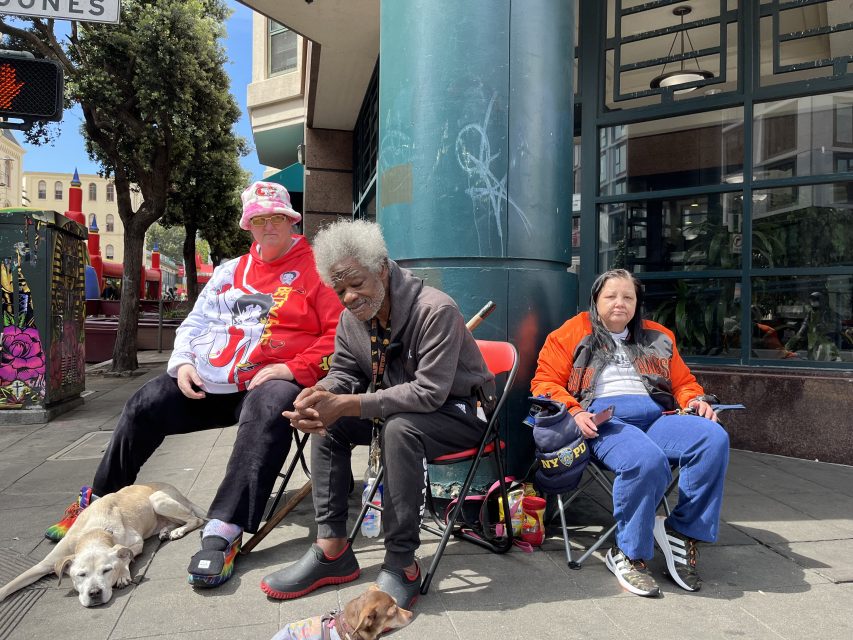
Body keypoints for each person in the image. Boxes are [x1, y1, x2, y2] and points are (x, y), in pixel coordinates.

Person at [46, 181, 343, 588]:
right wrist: (183, 361)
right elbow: (196, 322)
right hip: (214, 380)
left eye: (277, 218)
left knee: (269, 405)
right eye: (259, 219)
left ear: (293, 222)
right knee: (147, 400)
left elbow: (337, 334)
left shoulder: (318, 270)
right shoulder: (227, 271)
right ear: (248, 225)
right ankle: (98, 505)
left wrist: (293, 369)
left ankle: (225, 527)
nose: (269, 226)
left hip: (272, 378)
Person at [260, 220, 495, 610]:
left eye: (356, 282)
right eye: (339, 290)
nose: (349, 297)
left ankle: (402, 562)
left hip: (461, 413)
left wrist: (350, 404)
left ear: (382, 267)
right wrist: (321, 395)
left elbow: (428, 392)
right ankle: (332, 547)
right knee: (329, 423)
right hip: (402, 410)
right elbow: (345, 372)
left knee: (400, 430)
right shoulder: (352, 320)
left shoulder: (434, 310)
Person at [531, 268, 729, 597]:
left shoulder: (658, 336)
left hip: (656, 417)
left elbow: (682, 383)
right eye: (611, 296)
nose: (619, 303)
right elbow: (544, 383)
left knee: (712, 438)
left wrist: (696, 401)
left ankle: (681, 531)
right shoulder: (570, 333)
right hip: (604, 421)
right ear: (595, 300)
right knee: (646, 459)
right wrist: (575, 411)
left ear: (637, 303)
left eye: (628, 297)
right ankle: (627, 554)